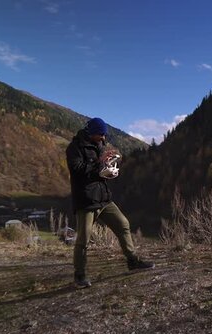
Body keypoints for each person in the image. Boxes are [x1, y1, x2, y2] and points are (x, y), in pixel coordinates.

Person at [66, 117, 154, 288]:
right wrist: (98, 164)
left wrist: (110, 167)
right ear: (92, 133)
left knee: (123, 224)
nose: (103, 139)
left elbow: (99, 169)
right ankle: (80, 275)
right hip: (85, 201)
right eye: (101, 135)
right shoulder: (74, 148)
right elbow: (77, 170)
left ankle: (133, 261)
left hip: (103, 198)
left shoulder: (99, 145)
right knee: (83, 239)